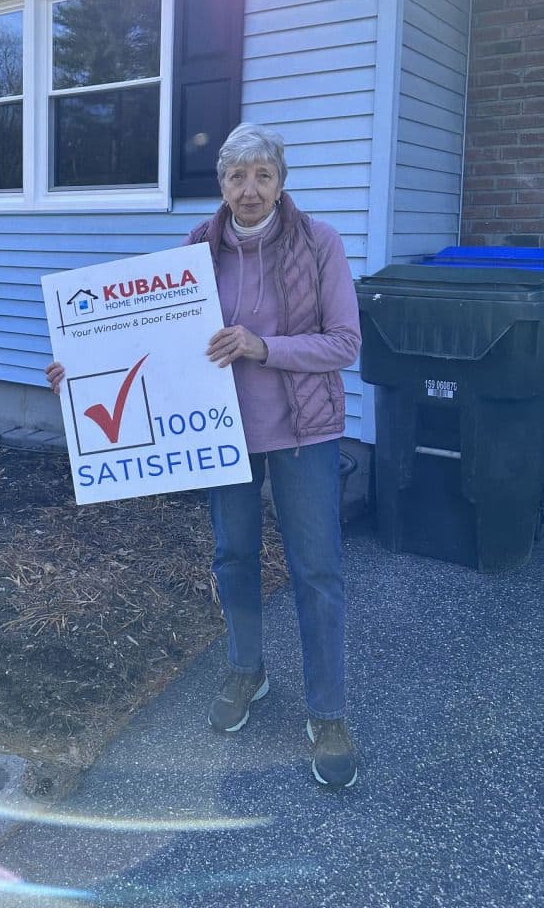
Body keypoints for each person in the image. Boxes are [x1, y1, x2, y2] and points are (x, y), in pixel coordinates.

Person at [45, 122, 361, 789]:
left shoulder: (319, 242)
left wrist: (263, 346)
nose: (248, 190)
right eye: (235, 176)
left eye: (262, 176)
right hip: (221, 437)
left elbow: (344, 345)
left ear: (282, 181)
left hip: (306, 433)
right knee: (233, 556)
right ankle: (249, 669)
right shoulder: (196, 251)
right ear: (220, 183)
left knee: (318, 571)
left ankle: (327, 711)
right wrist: (80, 371)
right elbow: (153, 346)